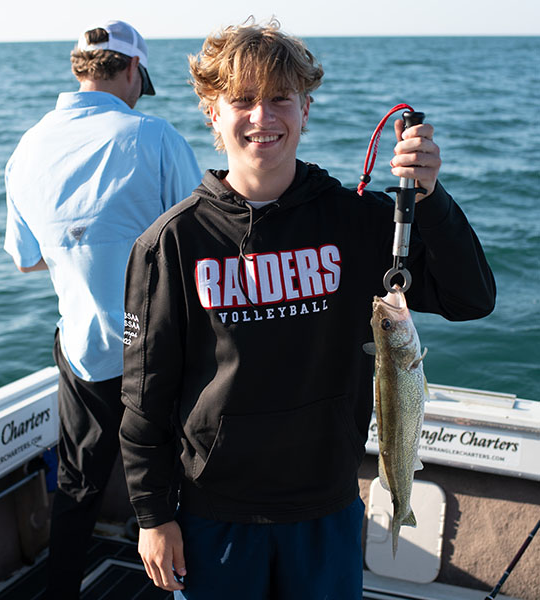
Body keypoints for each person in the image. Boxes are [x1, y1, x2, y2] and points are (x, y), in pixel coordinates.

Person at [119, 18, 496, 600]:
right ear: (212, 112)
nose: (262, 116)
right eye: (242, 99)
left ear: (306, 109)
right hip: (214, 514)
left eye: (280, 99)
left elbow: (470, 298)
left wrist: (431, 200)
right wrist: (152, 515)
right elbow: (145, 397)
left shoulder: (359, 222)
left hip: (327, 507)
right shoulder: (172, 243)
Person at [4, 19, 201, 599]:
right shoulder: (155, 137)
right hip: (161, 350)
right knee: (182, 482)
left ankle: (61, 592)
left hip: (83, 349)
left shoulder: (27, 148)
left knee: (78, 486)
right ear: (133, 68)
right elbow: (204, 244)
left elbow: (26, 260)